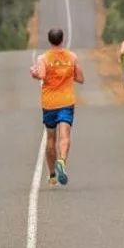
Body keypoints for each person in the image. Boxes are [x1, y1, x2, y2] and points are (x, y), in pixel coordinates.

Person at [30, 28, 84, 186]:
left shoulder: (43, 58)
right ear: (62, 39)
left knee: (51, 138)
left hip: (49, 103)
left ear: (49, 40)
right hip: (66, 101)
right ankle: (61, 161)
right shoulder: (72, 57)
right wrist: (67, 72)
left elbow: (40, 75)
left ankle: (52, 174)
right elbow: (80, 78)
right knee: (65, 134)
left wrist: (33, 73)